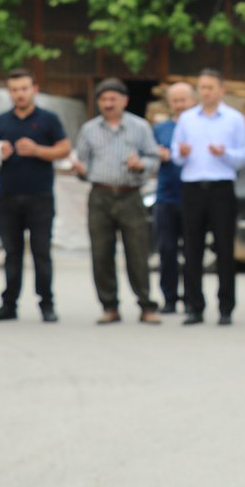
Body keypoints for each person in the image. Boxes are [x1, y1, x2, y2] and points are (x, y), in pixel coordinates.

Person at [0, 69, 71, 323]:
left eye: (23, 88)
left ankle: (47, 303)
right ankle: (9, 304)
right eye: (14, 90)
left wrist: (37, 150)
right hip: (8, 195)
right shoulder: (2, 120)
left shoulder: (48, 119)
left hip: (39, 196)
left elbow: (64, 149)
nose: (19, 94)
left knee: (41, 251)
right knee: (11, 253)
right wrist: (0, 152)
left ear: (34, 89)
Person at [72, 78, 162, 325]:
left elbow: (154, 158)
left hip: (130, 194)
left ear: (125, 100)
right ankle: (109, 305)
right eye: (104, 99)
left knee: (137, 252)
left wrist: (141, 164)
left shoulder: (140, 127)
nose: (108, 104)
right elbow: (83, 163)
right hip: (100, 195)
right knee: (101, 253)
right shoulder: (89, 129)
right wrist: (80, 169)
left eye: (113, 99)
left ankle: (146, 305)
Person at [172, 69, 245, 326]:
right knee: (192, 250)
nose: (205, 92)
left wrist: (224, 153)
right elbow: (175, 154)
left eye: (210, 87)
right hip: (193, 188)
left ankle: (226, 307)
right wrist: (182, 153)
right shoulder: (186, 119)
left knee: (225, 250)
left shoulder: (234, 119)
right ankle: (194, 306)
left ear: (221, 90)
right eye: (202, 87)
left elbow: (244, 157)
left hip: (221, 188)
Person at [152, 81, 195, 314]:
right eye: (175, 100)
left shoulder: (199, 126)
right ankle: (169, 298)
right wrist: (157, 154)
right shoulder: (160, 129)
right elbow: (147, 155)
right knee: (166, 250)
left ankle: (191, 298)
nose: (179, 105)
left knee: (191, 251)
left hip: (192, 196)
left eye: (183, 100)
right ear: (169, 103)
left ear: (192, 101)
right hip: (166, 196)